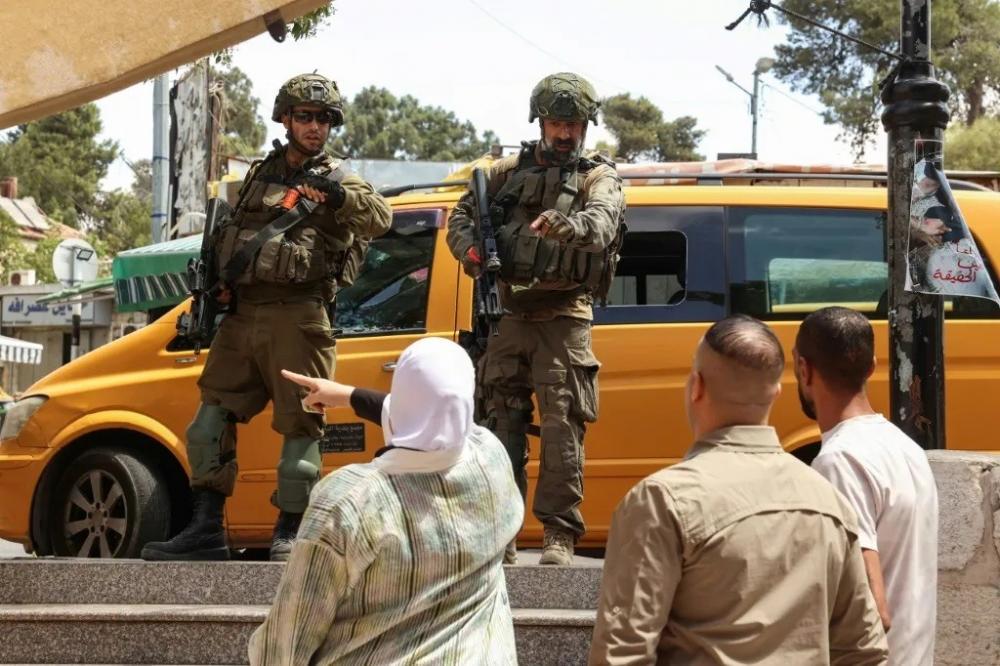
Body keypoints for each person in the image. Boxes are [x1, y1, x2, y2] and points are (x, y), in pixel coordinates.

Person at [142, 73, 392, 562]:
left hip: (299, 317)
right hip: (243, 314)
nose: (315, 127)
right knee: (208, 423)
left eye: (324, 119)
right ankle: (205, 529)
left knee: (301, 425)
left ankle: (290, 532)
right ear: (285, 119)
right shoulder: (262, 173)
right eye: (305, 117)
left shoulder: (340, 177)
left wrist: (337, 196)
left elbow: (380, 218)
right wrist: (222, 281)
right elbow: (235, 235)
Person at [589, 315, 888, 665]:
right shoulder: (830, 501)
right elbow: (863, 651)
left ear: (696, 386)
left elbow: (622, 653)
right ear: (776, 392)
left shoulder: (661, 500)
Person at [248, 338, 523, 665]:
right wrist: (349, 395)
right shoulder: (491, 459)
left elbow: (287, 641)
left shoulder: (349, 502)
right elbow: (439, 409)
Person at [446, 72, 626, 565]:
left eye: (574, 125)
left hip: (565, 317)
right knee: (498, 422)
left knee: (562, 426)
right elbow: (459, 216)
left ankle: (558, 534)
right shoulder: (505, 173)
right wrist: (470, 250)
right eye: (556, 123)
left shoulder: (597, 177)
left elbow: (602, 224)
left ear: (585, 126)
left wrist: (568, 225)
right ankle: (501, 531)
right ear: (540, 122)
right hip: (508, 315)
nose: (565, 133)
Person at [795, 306, 938, 665]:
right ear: (872, 366)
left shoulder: (838, 462)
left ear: (803, 369)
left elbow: (871, 610)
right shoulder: (905, 447)